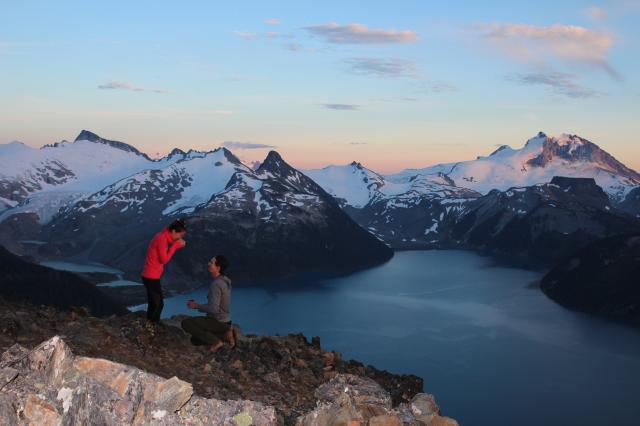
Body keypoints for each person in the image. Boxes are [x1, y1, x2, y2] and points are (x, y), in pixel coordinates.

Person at [182, 255, 235, 353]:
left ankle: (217, 341)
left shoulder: (216, 284)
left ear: (218, 268)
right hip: (226, 320)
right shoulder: (225, 280)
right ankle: (226, 333)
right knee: (195, 340)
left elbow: (214, 309)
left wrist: (196, 305)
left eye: (212, 262)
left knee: (186, 323)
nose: (208, 264)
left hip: (218, 321)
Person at [141, 218, 187, 323]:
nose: (181, 237)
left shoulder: (163, 237)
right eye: (181, 235)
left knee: (153, 303)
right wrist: (176, 246)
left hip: (150, 276)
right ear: (174, 231)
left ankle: (150, 325)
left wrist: (174, 244)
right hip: (151, 277)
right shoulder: (162, 239)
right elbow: (164, 259)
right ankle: (152, 327)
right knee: (158, 304)